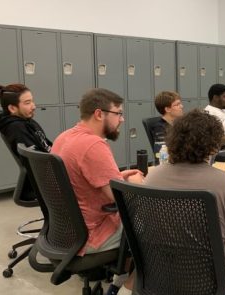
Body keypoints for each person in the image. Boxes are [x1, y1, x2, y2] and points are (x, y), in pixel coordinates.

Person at [144, 110, 225, 295]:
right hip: (214, 285)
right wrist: (224, 242)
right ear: (215, 146)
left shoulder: (152, 177)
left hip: (163, 279)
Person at [51, 88, 144, 294]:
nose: (122, 119)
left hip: (66, 232)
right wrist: (137, 183)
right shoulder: (93, 145)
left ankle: (120, 277)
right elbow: (122, 200)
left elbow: (85, 179)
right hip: (91, 235)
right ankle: (126, 287)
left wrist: (121, 177)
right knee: (151, 226)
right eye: (118, 113)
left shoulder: (65, 137)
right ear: (99, 114)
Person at [0, 83, 52, 201]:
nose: (34, 106)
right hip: (43, 183)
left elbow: (46, 145)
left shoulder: (27, 121)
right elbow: (37, 160)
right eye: (27, 103)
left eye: (32, 101)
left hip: (48, 171)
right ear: (12, 108)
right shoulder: (16, 128)